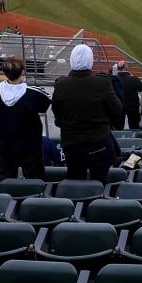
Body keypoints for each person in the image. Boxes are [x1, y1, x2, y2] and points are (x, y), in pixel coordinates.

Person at [52, 43, 122, 181]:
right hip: (99, 144)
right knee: (99, 181)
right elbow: (117, 110)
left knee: (76, 181)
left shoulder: (61, 84)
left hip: (72, 145)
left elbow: (57, 115)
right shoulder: (103, 83)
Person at [0, 54, 49, 179]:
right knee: (35, 185)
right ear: (22, 72)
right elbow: (44, 104)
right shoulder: (33, 93)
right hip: (29, 149)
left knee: (6, 185)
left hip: (2, 148)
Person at [110, 62, 142, 129]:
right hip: (132, 107)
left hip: (119, 107)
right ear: (126, 68)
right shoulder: (134, 79)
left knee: (118, 127)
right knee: (134, 127)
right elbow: (141, 88)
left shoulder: (113, 80)